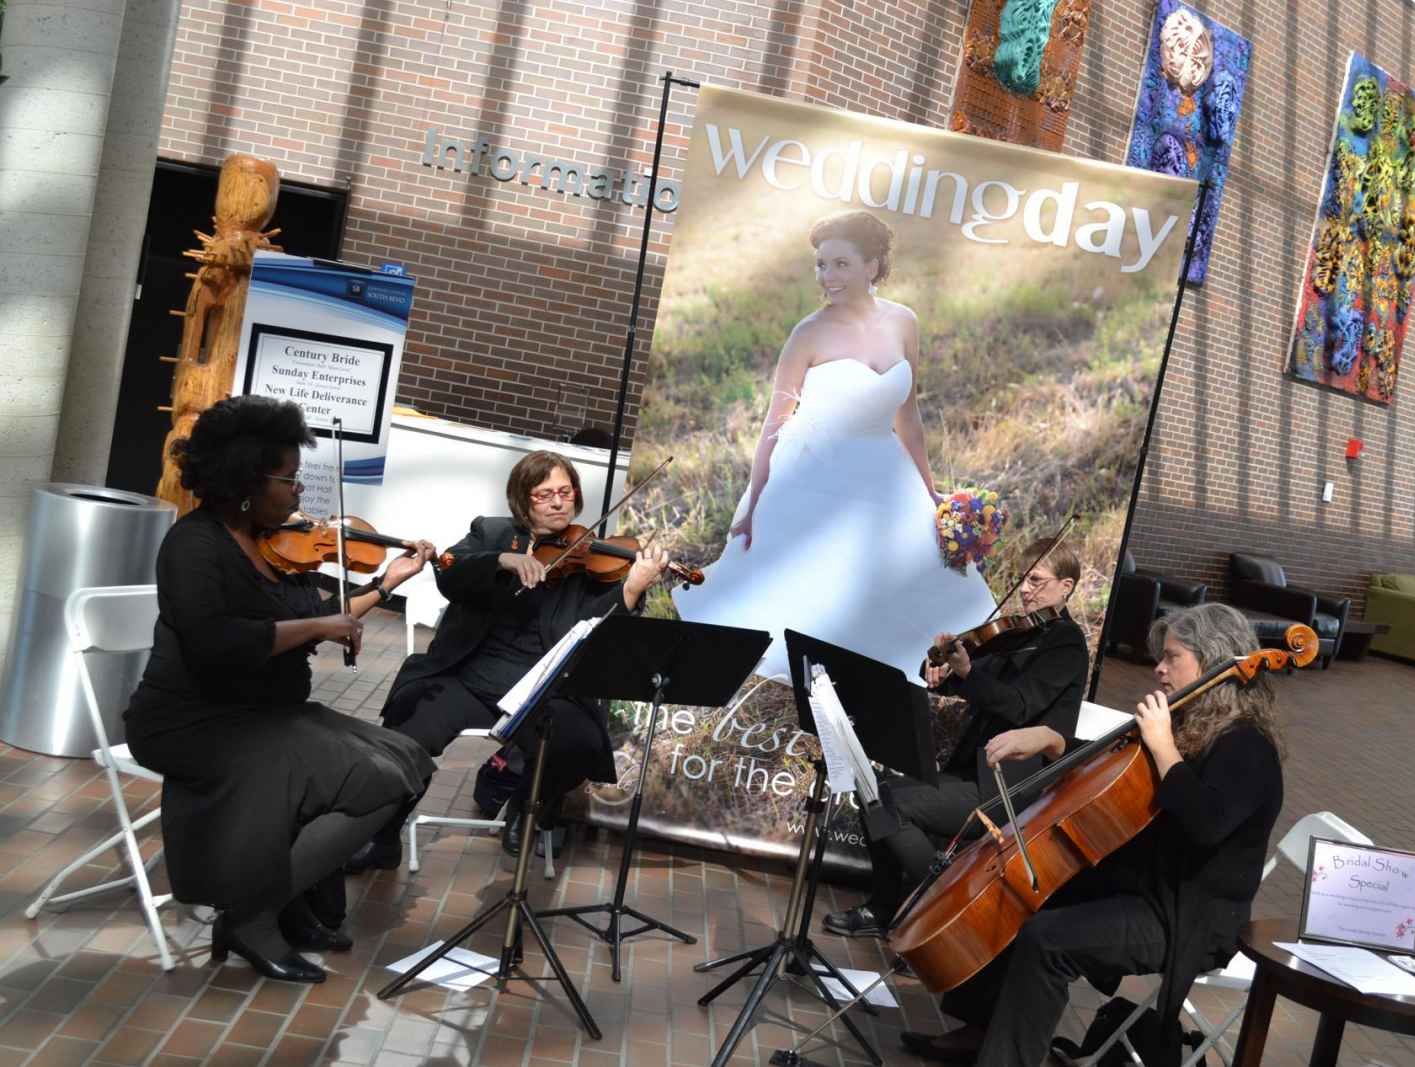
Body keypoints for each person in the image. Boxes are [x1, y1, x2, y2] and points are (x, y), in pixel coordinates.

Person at [124, 396, 437, 984]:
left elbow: (320, 616)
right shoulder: (193, 546)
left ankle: (285, 902)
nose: (299, 493)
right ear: (245, 480)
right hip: (193, 721)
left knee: (407, 759)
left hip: (265, 711)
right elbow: (217, 642)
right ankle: (252, 915)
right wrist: (321, 626)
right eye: (288, 480)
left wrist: (383, 584)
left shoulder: (275, 545)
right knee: (374, 784)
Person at [899, 602, 1287, 1067]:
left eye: (1173, 657)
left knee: (1048, 939)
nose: (1159, 669)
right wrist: (1051, 741)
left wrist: (1165, 749)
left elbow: (1205, 824)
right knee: (1026, 891)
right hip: (1144, 886)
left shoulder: (1247, 746)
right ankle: (980, 1029)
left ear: (1215, 659)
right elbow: (1116, 768)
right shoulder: (1190, 722)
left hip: (1188, 915)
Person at [672, 209, 996, 684]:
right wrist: (754, 499)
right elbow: (774, 422)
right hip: (816, 472)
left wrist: (930, 494)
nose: (828, 277)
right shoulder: (808, 333)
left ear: (873, 265)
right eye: (821, 265)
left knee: (915, 577)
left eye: (841, 264)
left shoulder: (904, 322)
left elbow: (908, 415)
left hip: (883, 465)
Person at [344, 450, 672, 870]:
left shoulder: (593, 558)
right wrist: (502, 560)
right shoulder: (493, 532)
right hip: (469, 674)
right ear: (523, 500)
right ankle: (384, 833)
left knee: (578, 742)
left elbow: (591, 634)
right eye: (545, 495)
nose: (558, 502)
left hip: (543, 688)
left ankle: (527, 807)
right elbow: (449, 569)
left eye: (565, 492)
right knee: (411, 729)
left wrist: (629, 591)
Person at [823, 538, 1089, 939]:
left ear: (1065, 587)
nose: (1025, 589)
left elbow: (1018, 706)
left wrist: (968, 674)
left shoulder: (1066, 644)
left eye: (1036, 580)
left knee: (891, 804)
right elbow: (965, 679)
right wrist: (940, 668)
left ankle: (945, 903)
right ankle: (886, 908)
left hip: (1010, 784)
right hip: (972, 771)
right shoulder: (1012, 634)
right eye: (1022, 579)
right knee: (872, 788)